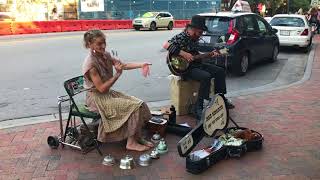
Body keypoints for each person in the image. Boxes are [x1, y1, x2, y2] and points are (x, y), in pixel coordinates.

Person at [82, 29, 153, 152]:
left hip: (107, 94)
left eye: (104, 42)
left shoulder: (105, 55)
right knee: (134, 107)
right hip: (97, 98)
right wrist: (117, 75)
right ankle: (131, 143)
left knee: (140, 104)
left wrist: (142, 64)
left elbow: (123, 65)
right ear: (90, 44)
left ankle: (136, 137)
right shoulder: (91, 64)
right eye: (99, 44)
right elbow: (102, 89)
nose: (103, 46)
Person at [162, 15, 234, 121]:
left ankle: (221, 99)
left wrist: (210, 54)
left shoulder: (194, 39)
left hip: (196, 65)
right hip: (185, 69)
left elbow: (195, 55)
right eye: (200, 32)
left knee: (220, 71)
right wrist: (184, 54)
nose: (201, 35)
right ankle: (198, 107)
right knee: (206, 76)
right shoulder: (182, 36)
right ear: (193, 30)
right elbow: (165, 45)